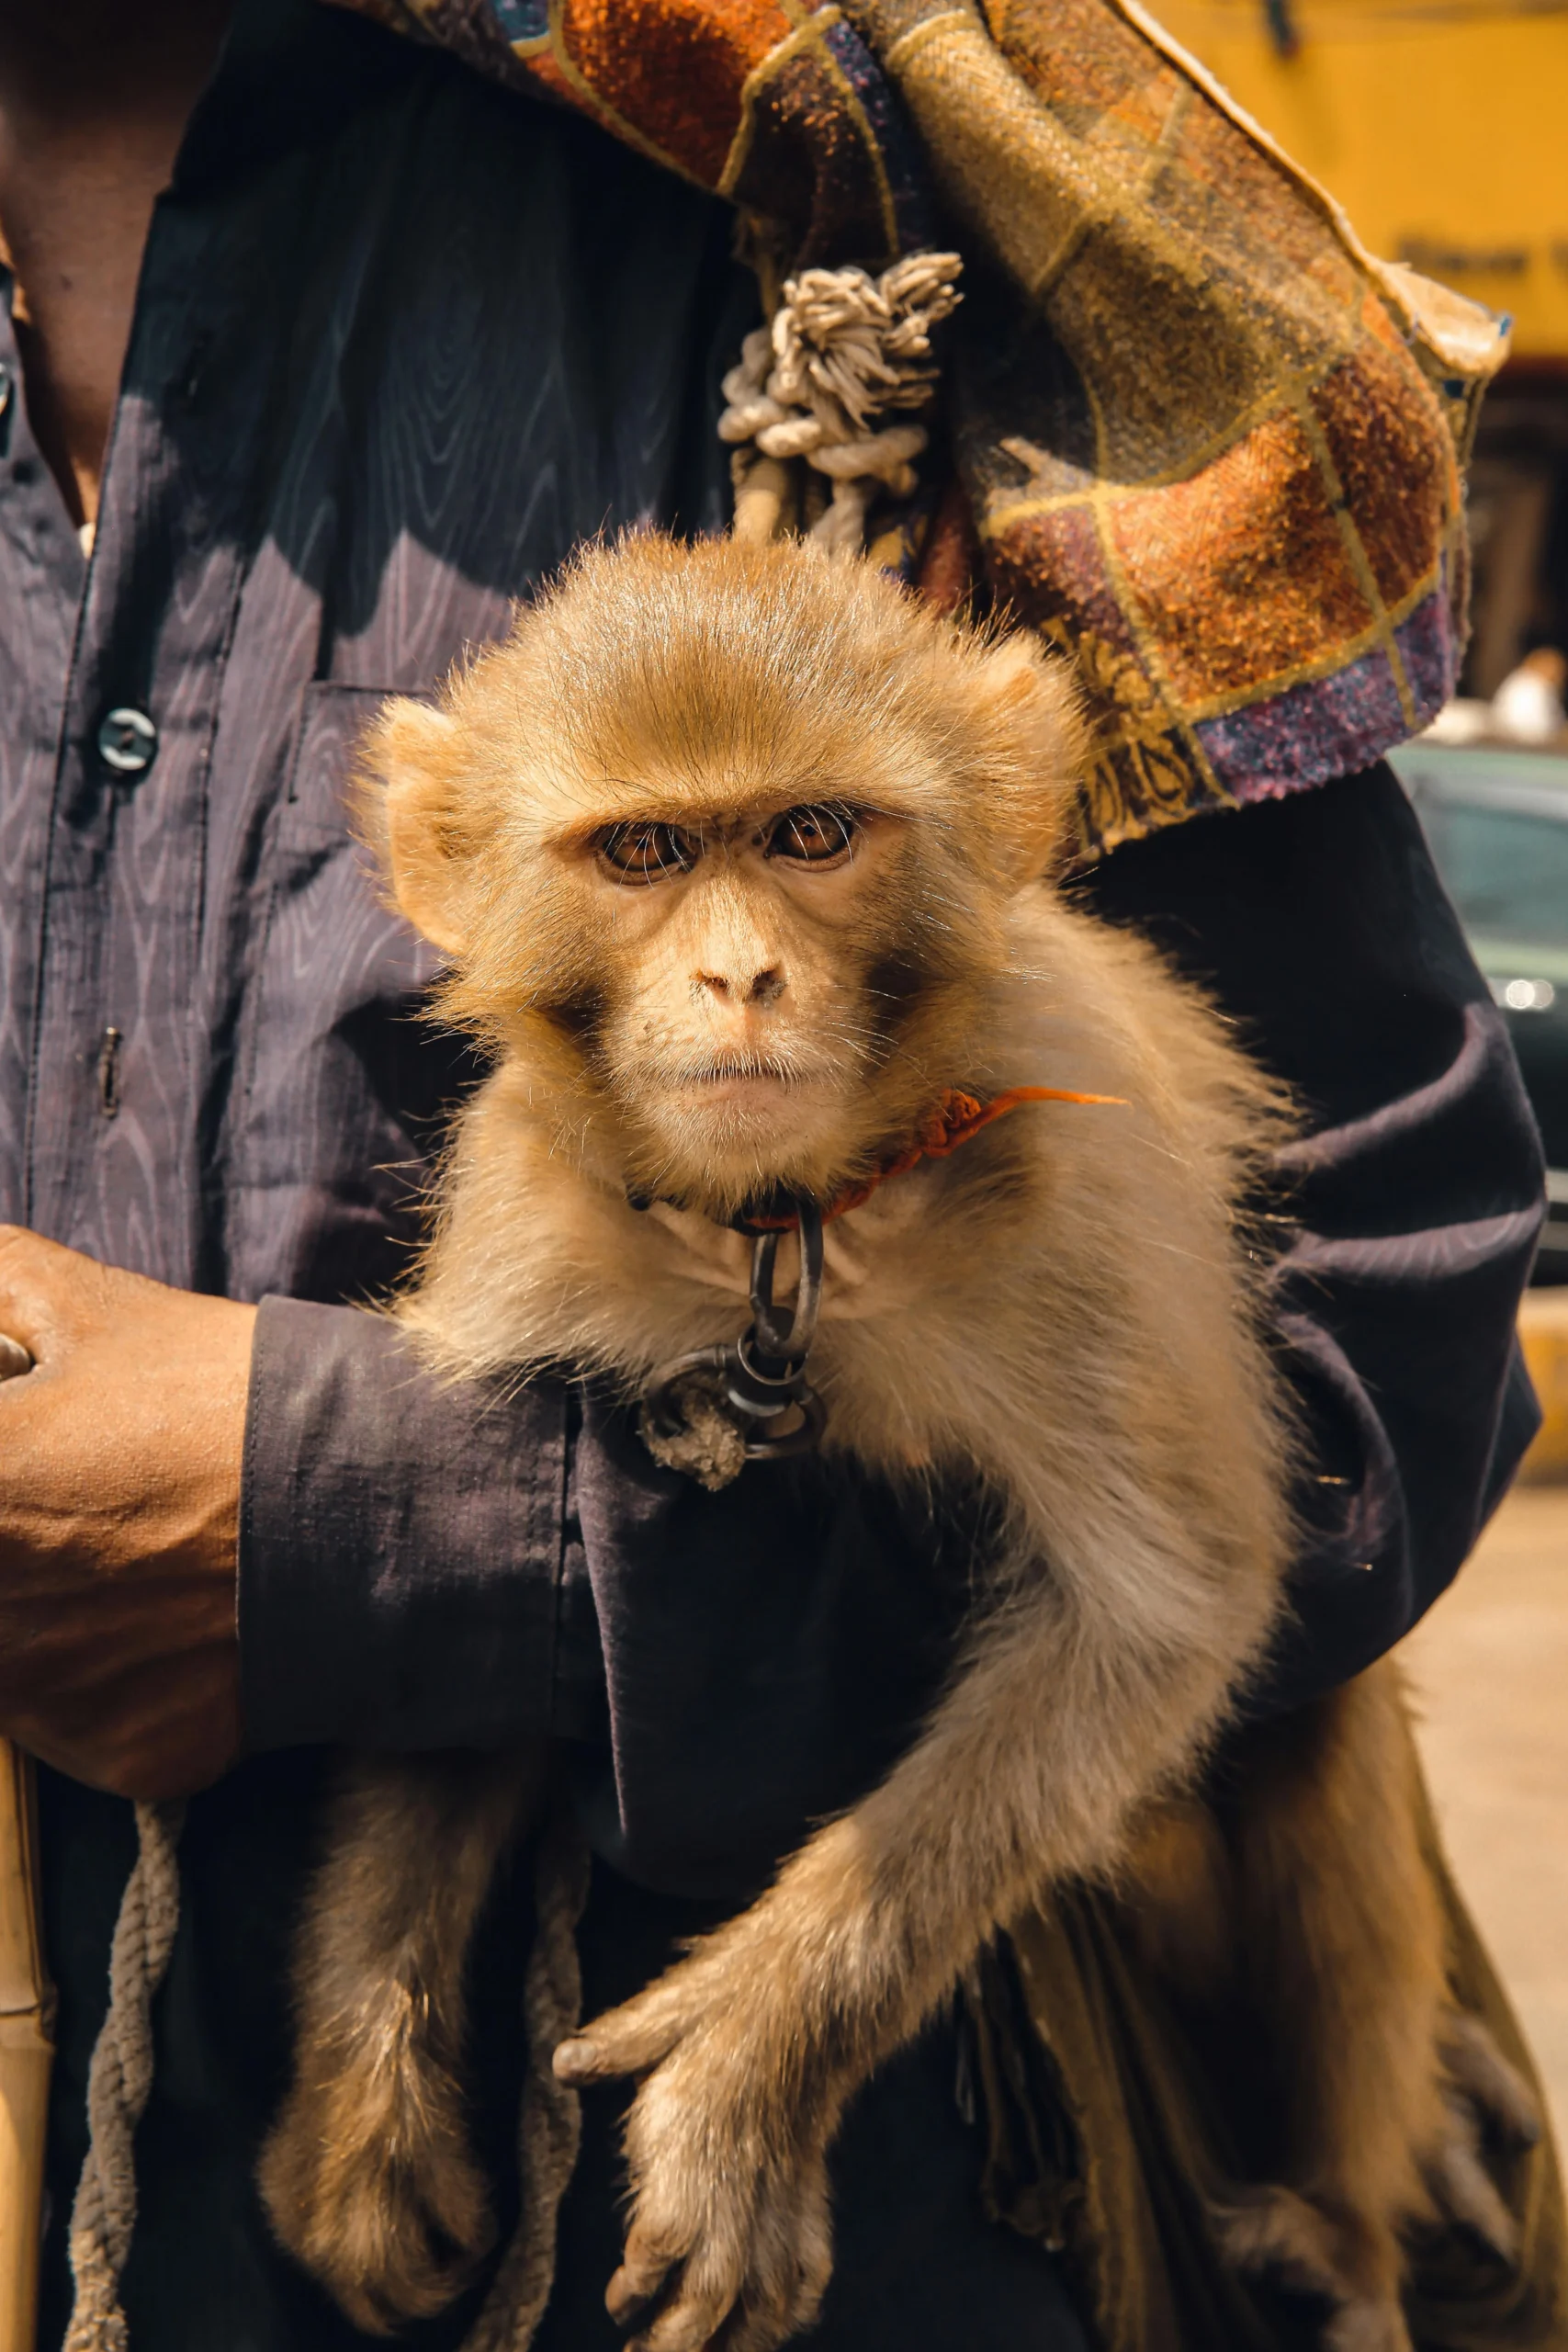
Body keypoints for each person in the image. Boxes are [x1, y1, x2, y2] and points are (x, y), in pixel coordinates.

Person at [0, 0, 1547, 2346]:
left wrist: (353, 1526)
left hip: (830, 2223)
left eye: (808, 844)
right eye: (643, 867)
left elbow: (1361, 1384)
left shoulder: (899, 176)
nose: (731, 964)